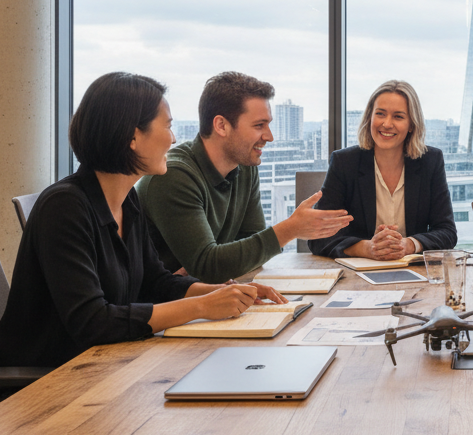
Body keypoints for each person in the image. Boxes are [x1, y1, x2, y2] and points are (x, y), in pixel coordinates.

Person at [0, 72, 289, 369]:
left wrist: (223, 293)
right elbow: (93, 322)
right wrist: (201, 306)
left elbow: (157, 282)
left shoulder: (127, 200)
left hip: (105, 368)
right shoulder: (64, 207)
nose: (172, 139)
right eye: (167, 127)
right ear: (132, 136)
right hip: (40, 388)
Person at [137, 72, 351, 283]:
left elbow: (252, 246)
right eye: (259, 125)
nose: (269, 136)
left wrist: (223, 260)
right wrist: (290, 229)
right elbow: (209, 266)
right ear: (221, 125)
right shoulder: (173, 176)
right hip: (166, 307)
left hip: (211, 296)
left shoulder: (245, 167)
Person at [310, 80, 457, 259]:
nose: (387, 124)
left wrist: (408, 244)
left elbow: (447, 232)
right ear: (369, 118)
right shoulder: (345, 162)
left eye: (398, 116)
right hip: (357, 274)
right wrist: (367, 248)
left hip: (413, 274)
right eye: (380, 114)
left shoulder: (430, 161)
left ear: (412, 124)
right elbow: (318, 236)